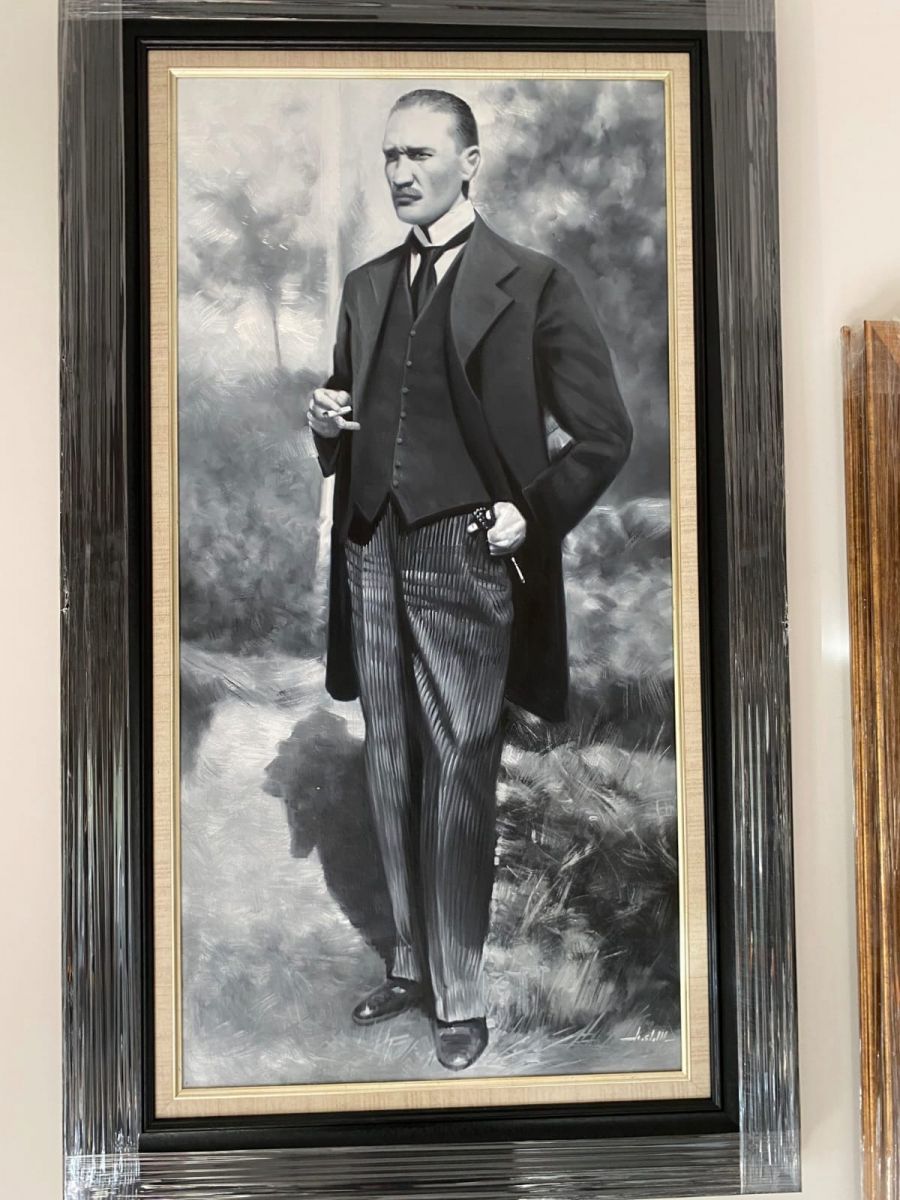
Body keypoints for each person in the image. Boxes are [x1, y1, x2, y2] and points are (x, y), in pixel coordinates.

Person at [307, 88, 632, 1071]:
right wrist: (326, 426)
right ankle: (411, 963)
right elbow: (349, 421)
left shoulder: (535, 283)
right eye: (389, 156)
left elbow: (605, 435)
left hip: (469, 550)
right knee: (391, 756)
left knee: (459, 768)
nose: (400, 172)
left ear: (469, 163)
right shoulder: (366, 286)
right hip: (370, 546)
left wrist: (533, 511)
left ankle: (457, 992)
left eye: (419, 154)